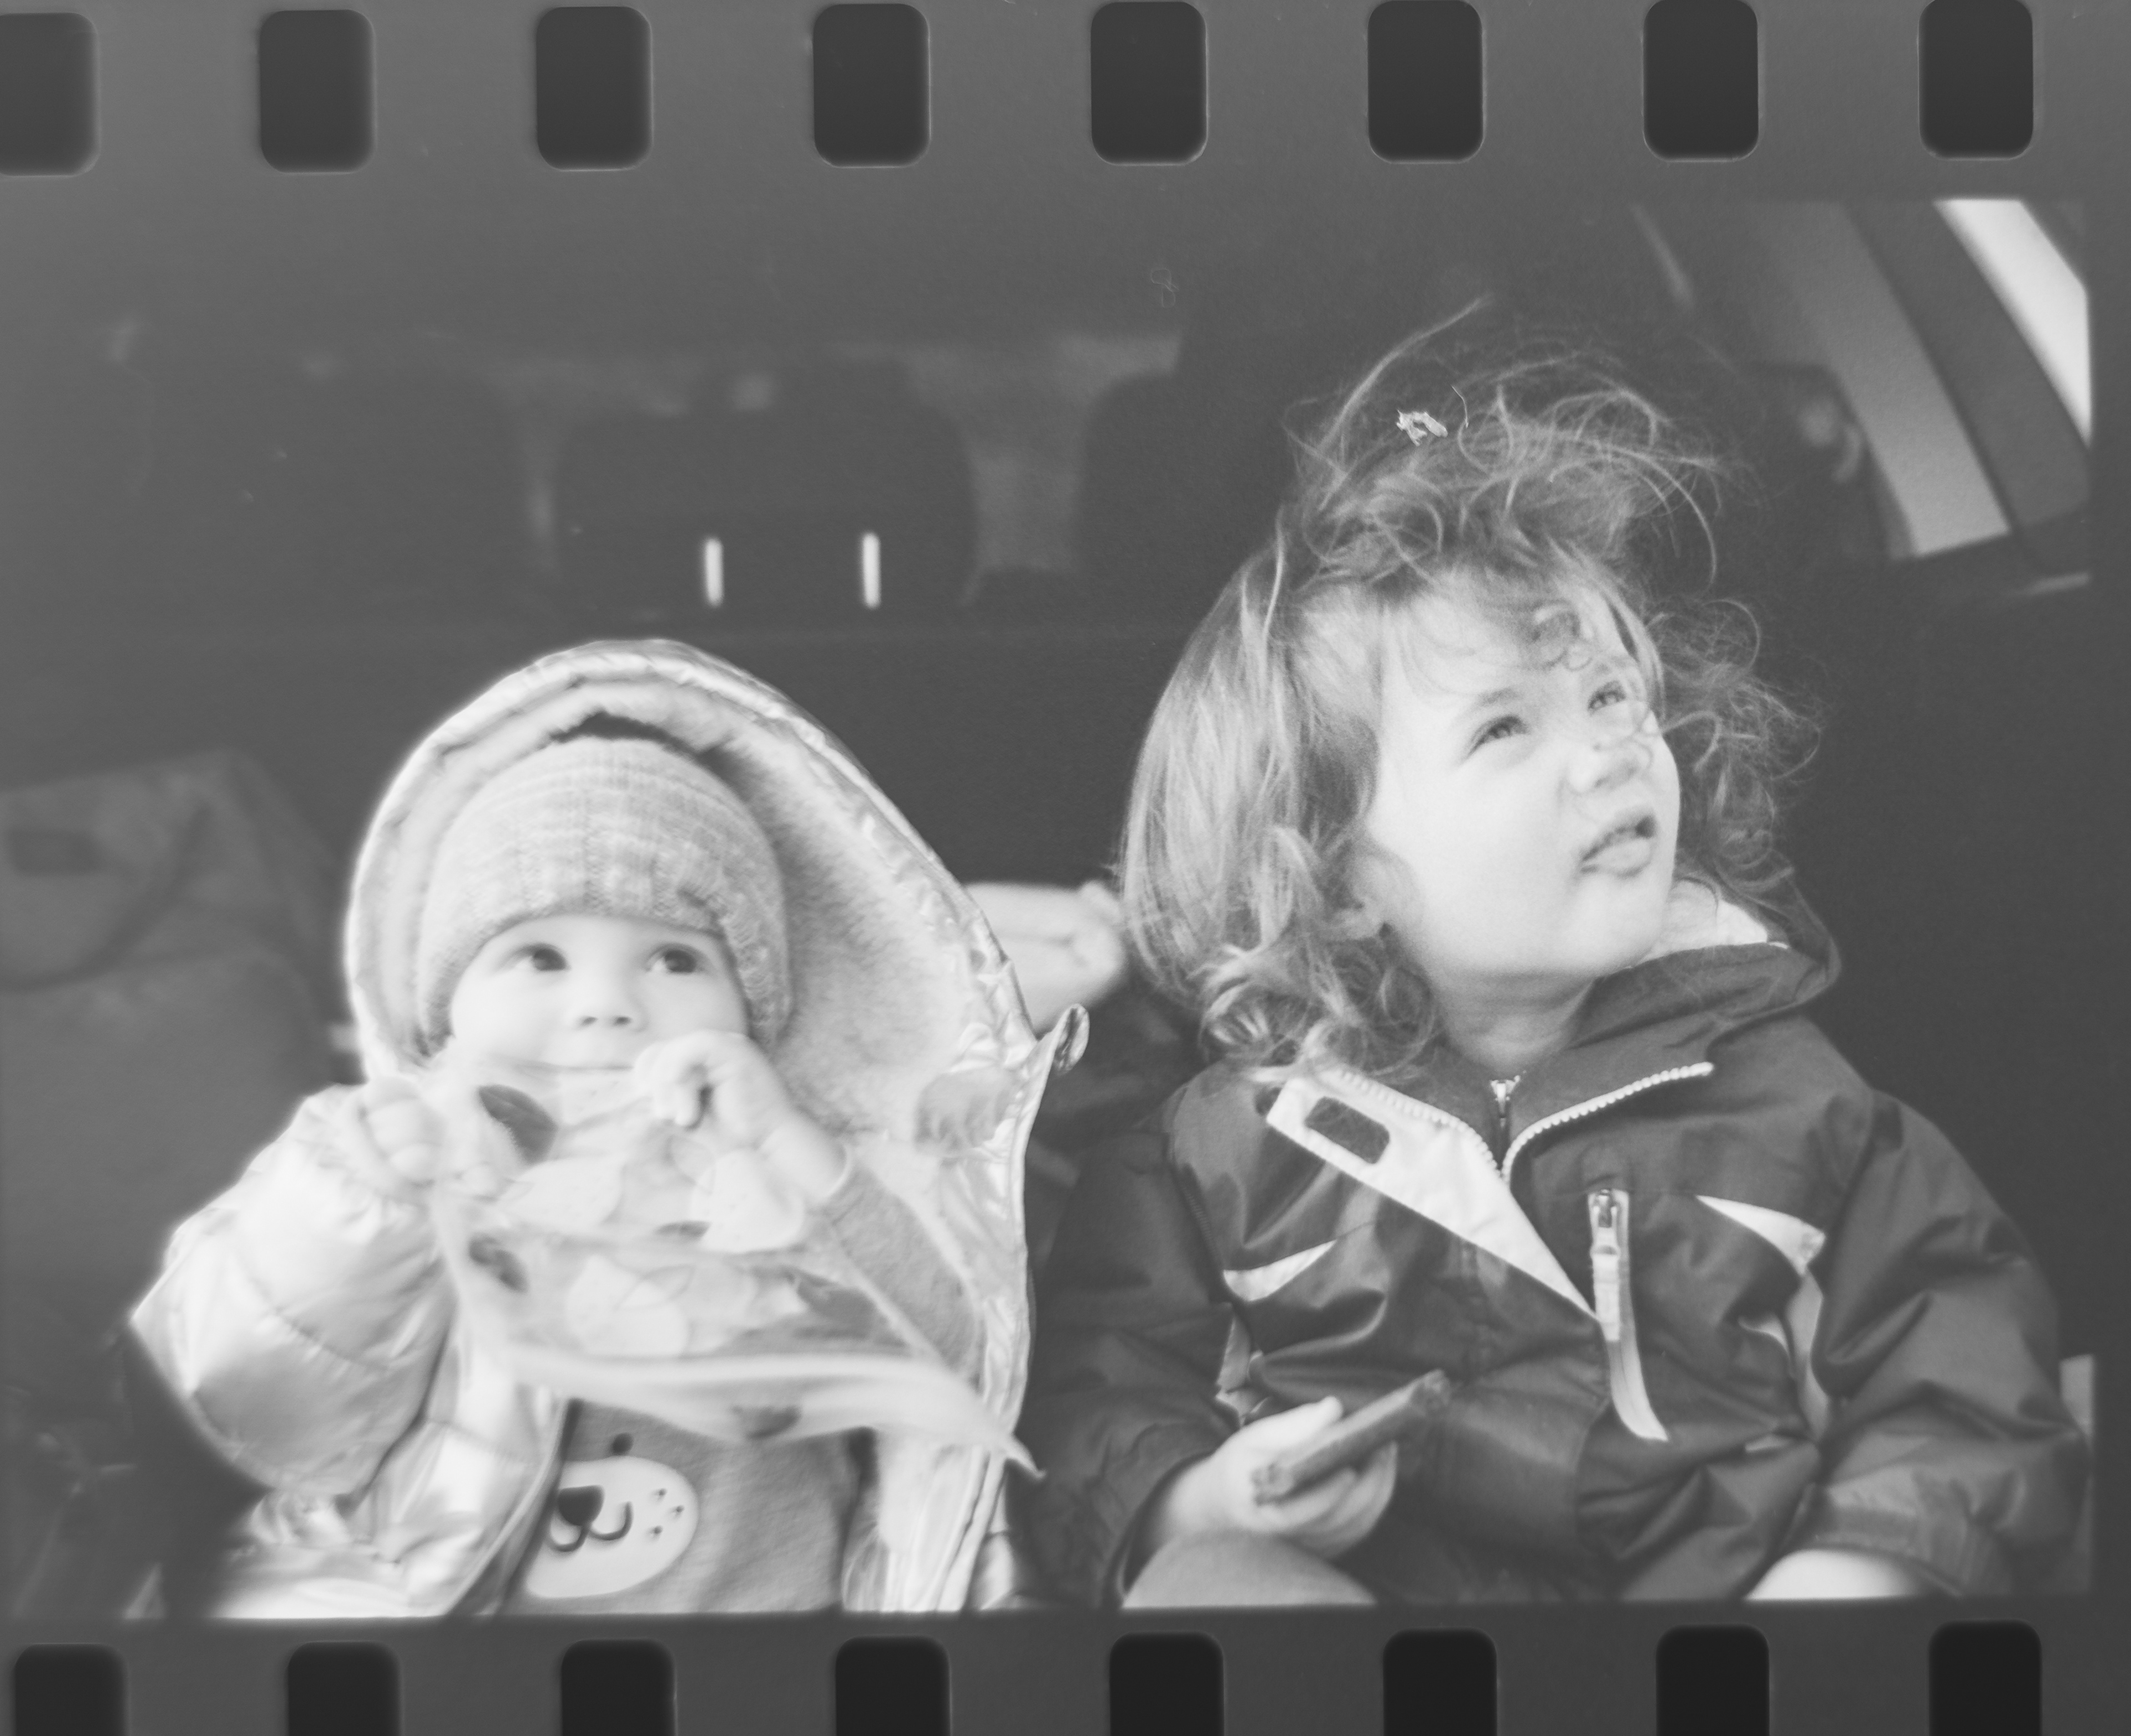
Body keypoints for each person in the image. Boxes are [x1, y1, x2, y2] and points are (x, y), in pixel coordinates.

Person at [1018, 321, 2088, 1608]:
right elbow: (1088, 1403)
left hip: (1711, 1652)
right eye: (1506, 727)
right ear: (1339, 881)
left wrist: (1845, 1576)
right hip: (1368, 1671)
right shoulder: (1220, 1153)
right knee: (1208, 1586)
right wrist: (1205, 1498)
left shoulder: (1805, 1112)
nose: (1610, 751)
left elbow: (1963, 1386)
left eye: (1613, 694)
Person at [128, 640, 1056, 1617]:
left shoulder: (789, 1158)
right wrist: (366, 1209)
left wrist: (796, 1148)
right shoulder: (400, 1156)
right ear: (446, 1006)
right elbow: (266, 1407)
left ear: (752, 1010)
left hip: (779, 1642)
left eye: (675, 960)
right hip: (484, 1648)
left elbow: (952, 1358)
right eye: (539, 957)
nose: (607, 1004)